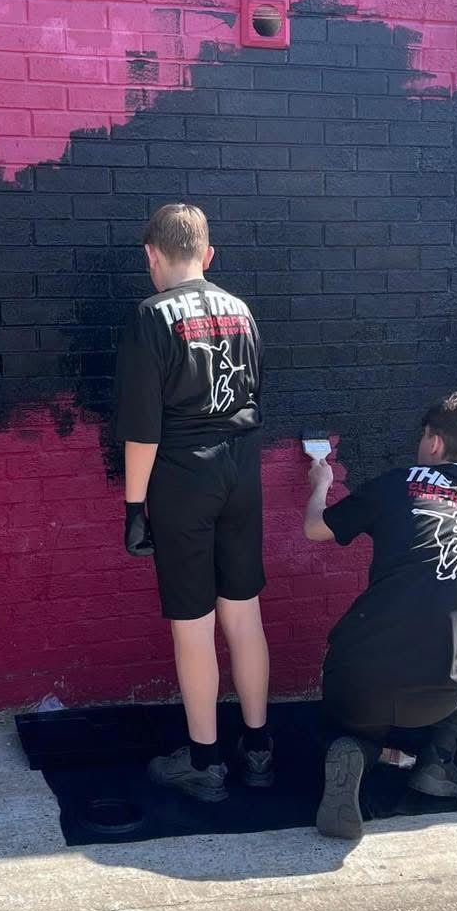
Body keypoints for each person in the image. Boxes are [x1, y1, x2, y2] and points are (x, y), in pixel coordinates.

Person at [114, 203, 272, 802]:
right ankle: (258, 749)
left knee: (193, 625)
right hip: (242, 470)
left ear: (152, 254)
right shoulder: (242, 309)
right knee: (244, 613)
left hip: (182, 477)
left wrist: (135, 508)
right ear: (208, 256)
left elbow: (143, 428)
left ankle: (205, 762)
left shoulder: (151, 316)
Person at [304, 392, 457, 840]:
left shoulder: (399, 482)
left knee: (357, 706)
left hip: (360, 681)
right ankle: (437, 763)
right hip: (442, 693)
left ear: (434, 444)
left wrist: (320, 482)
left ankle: (354, 748)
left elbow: (315, 528)